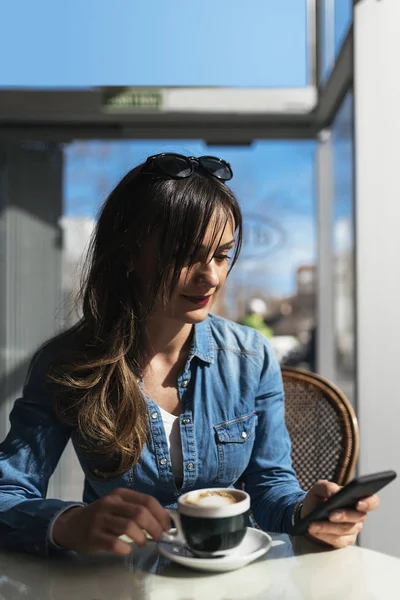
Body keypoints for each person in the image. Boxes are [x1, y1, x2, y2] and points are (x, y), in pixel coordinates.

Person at [0, 153, 378, 557]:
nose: (211, 277)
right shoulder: (69, 364)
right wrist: (69, 523)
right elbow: (8, 492)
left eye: (221, 255)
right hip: (115, 578)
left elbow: (271, 489)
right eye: (185, 256)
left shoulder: (250, 357)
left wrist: (309, 512)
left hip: (227, 579)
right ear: (129, 254)